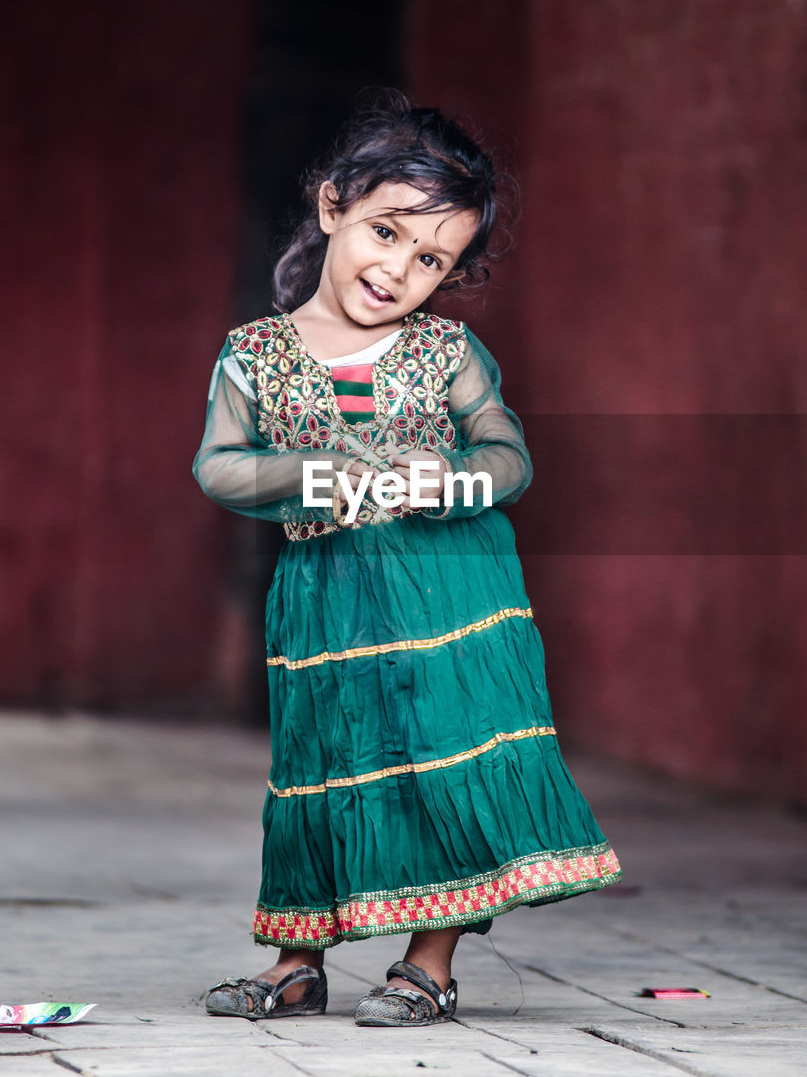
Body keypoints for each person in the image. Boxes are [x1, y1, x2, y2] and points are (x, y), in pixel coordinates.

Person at [193, 91, 621, 1027]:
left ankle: (428, 965)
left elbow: (510, 461)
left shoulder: (448, 352)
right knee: (322, 762)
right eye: (386, 232)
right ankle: (297, 961)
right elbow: (219, 468)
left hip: (452, 595)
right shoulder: (254, 356)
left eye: (432, 259)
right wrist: (315, 472)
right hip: (328, 600)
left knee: (446, 761)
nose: (399, 268)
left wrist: (448, 477)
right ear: (331, 205)